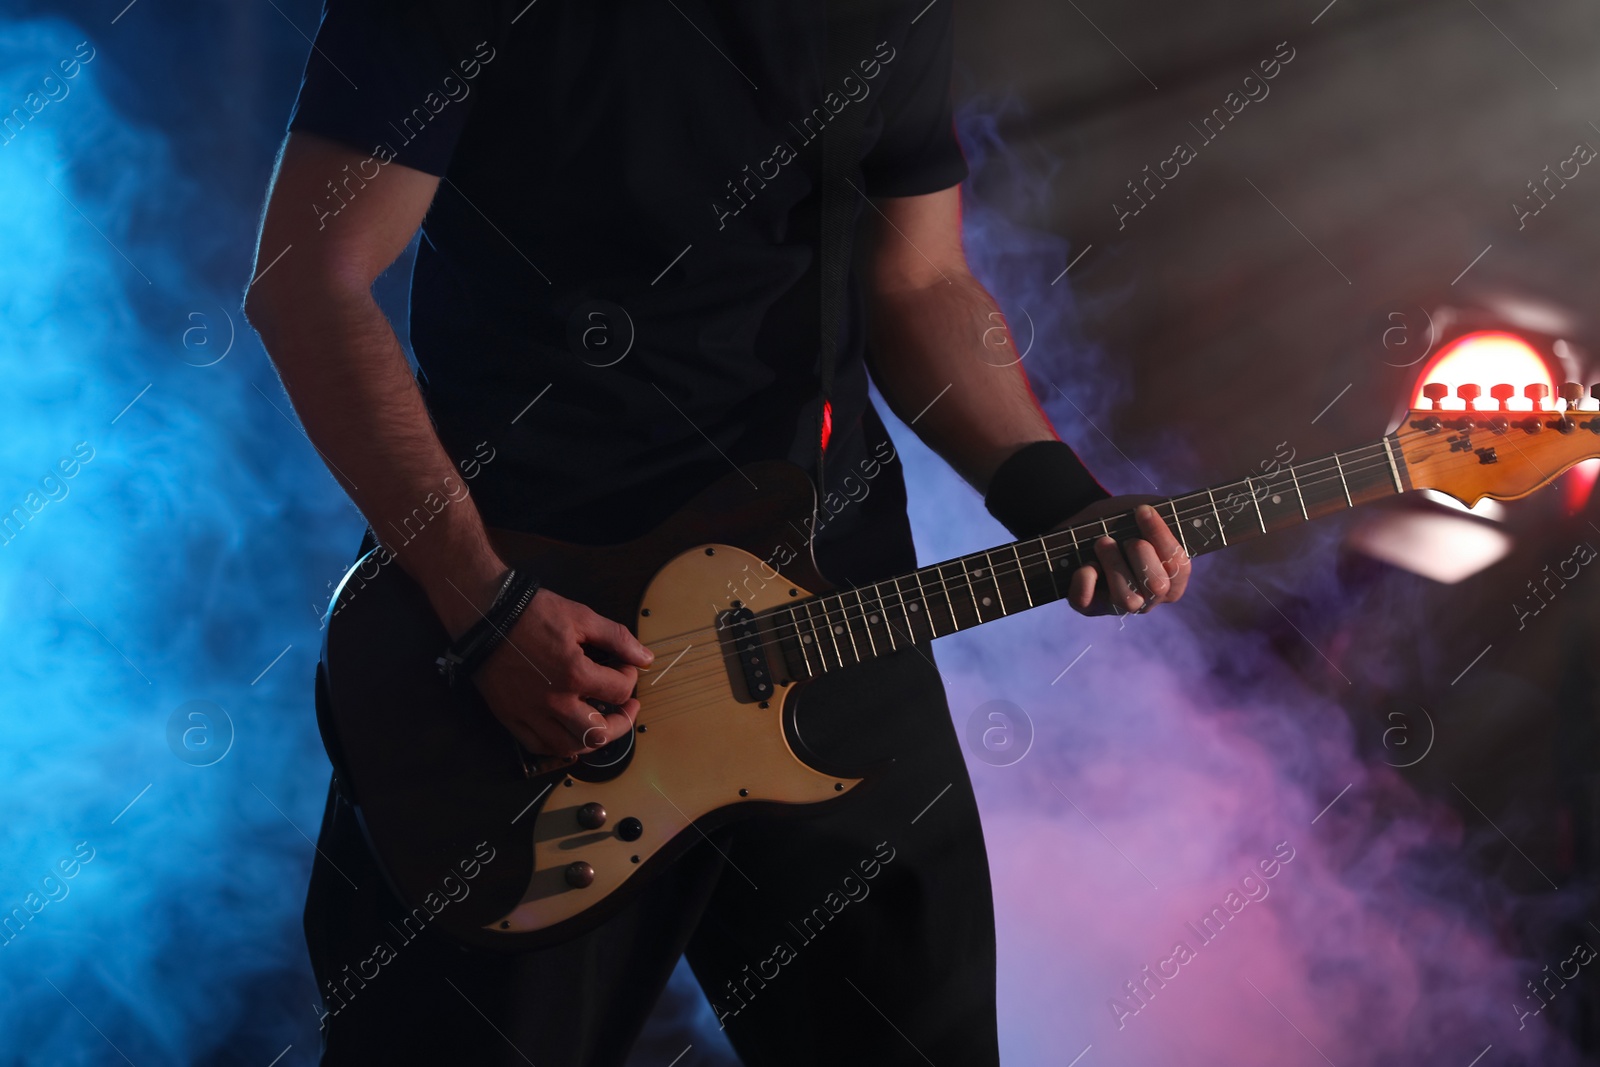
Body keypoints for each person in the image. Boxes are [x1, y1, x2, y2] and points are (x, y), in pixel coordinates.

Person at [244, 1, 1192, 1062]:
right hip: (538, 658)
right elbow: (307, 279)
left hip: (833, 615)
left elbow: (916, 277)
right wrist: (484, 603)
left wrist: (1055, 499)